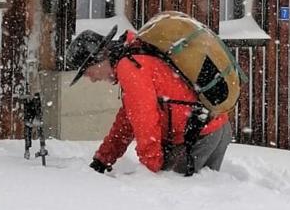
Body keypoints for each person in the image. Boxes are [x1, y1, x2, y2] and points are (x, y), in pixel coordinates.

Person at [66, 26, 231, 175]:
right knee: (198, 196)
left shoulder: (130, 67)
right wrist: (103, 158)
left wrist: (151, 171)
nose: (91, 79)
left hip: (197, 137)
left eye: (87, 72)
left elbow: (144, 120)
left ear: (98, 59)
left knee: (179, 200)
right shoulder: (134, 56)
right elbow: (129, 117)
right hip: (212, 126)